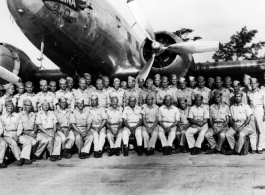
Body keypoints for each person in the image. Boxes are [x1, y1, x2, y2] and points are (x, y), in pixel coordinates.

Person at [0, 100, 32, 166]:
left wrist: (17, 134)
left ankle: (25, 157)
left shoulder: (16, 116)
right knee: (13, 143)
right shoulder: (2, 117)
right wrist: (12, 136)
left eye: (11, 106)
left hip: (16, 133)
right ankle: (19, 159)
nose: (10, 108)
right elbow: (2, 130)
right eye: (8, 106)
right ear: (5, 107)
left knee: (28, 141)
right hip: (7, 135)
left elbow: (20, 126)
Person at [247, 78, 265, 154]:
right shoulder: (249, 93)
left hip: (259, 110)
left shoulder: (262, 92)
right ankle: (253, 147)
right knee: (252, 129)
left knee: (260, 129)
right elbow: (248, 104)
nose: (253, 85)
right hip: (251, 110)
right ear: (250, 84)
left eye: (254, 83)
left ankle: (260, 147)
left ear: (257, 84)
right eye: (252, 83)